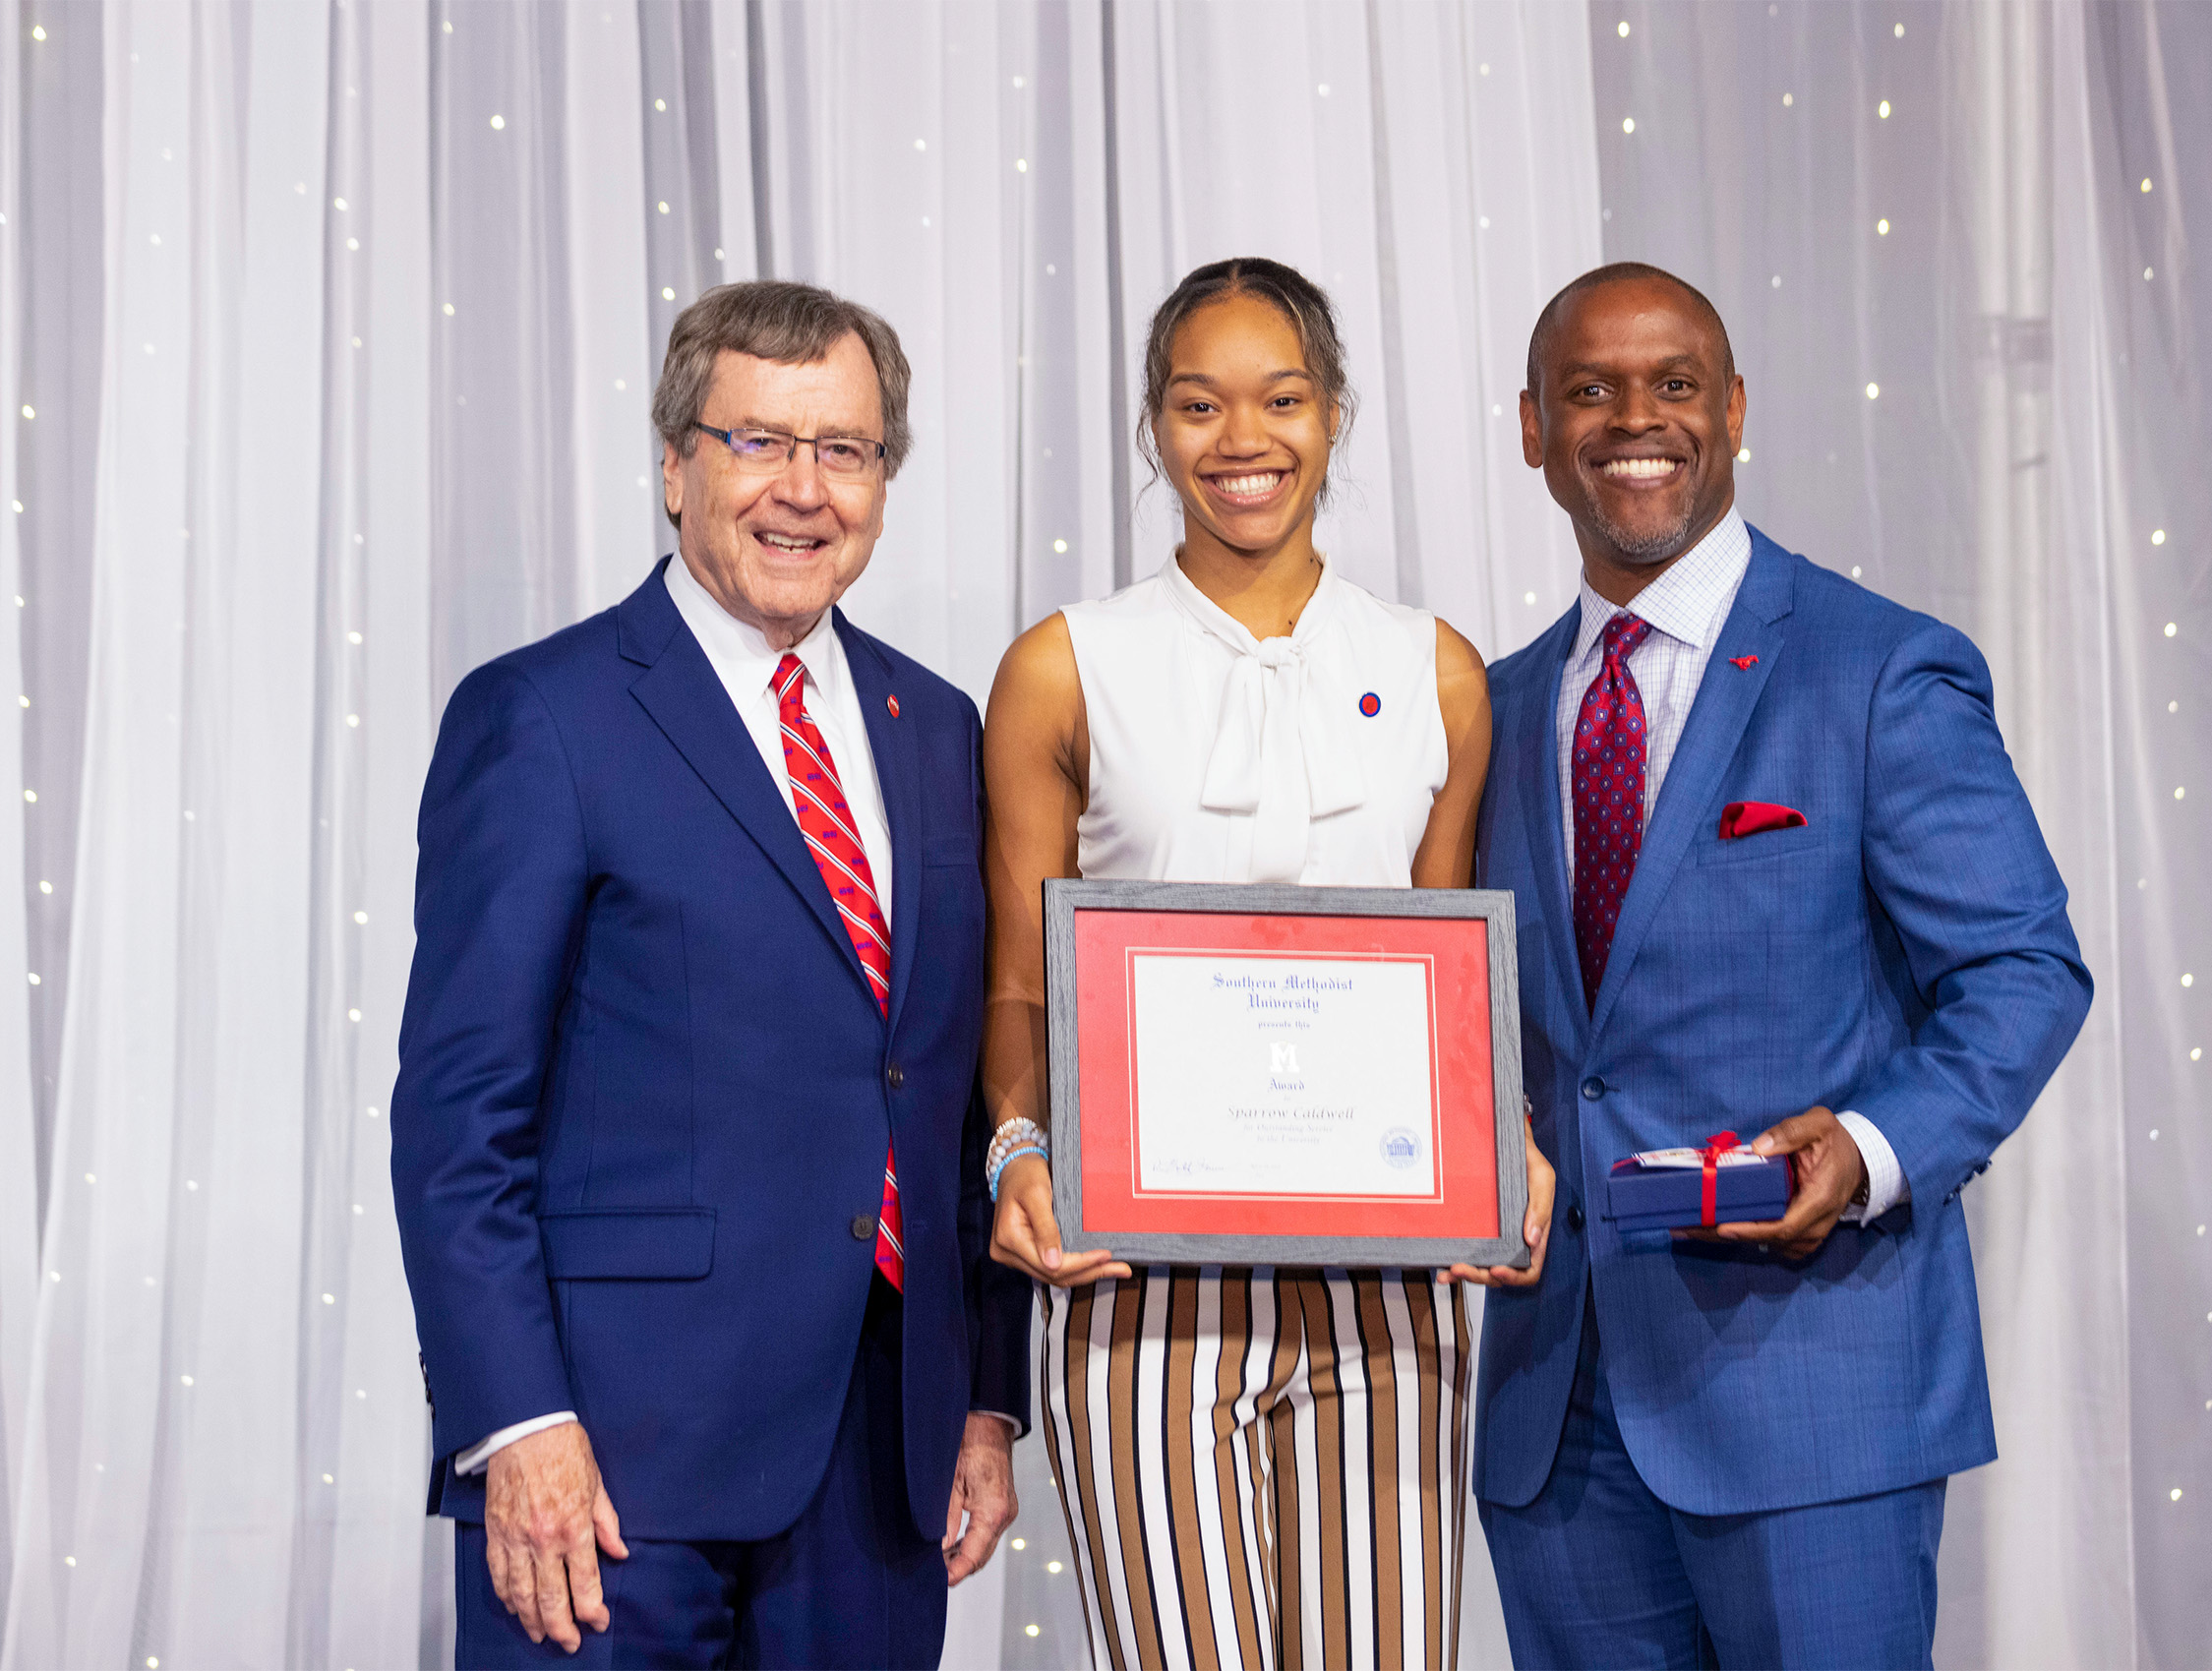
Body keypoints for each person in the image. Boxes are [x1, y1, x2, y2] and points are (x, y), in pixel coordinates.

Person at [391, 280, 1030, 1667]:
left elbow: (951, 1091)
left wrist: (986, 1395)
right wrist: (518, 1425)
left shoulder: (938, 727)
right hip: (615, 1471)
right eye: (757, 443)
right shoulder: (545, 715)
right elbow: (459, 1122)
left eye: (845, 451)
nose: (803, 490)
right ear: (675, 462)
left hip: (880, 1468)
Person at [1470, 262, 2093, 1669]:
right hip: (1554, 1420)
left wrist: (1872, 1150)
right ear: (1531, 428)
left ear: (1735, 408)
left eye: (1675, 383)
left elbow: (2023, 970)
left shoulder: (1880, 672)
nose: (1636, 417)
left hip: (1815, 1402)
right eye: (1591, 389)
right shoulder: (1491, 712)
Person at [978, 256, 1554, 1670]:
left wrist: (1508, 1144)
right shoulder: (1065, 664)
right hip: (1139, 1289)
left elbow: (1449, 991)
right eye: (1198, 404)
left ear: (1337, 412)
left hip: (1388, 1288)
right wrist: (1014, 1150)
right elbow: (1018, 979)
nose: (1243, 442)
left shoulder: (1437, 671)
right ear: (1153, 428)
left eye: (1281, 398)